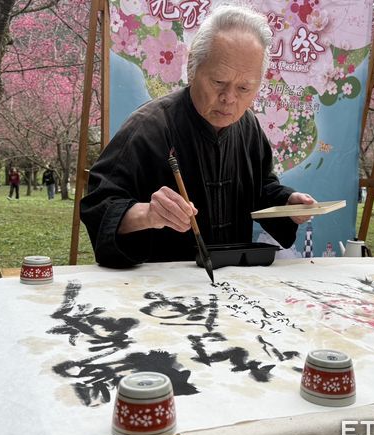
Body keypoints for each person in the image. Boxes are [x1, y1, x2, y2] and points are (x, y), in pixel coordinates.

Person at [80, 4, 315, 268]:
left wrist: (286, 202)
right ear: (193, 66)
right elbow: (98, 206)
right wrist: (148, 214)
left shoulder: (248, 126)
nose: (229, 99)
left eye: (244, 88)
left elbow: (261, 188)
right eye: (218, 82)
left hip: (233, 279)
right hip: (166, 289)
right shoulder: (149, 127)